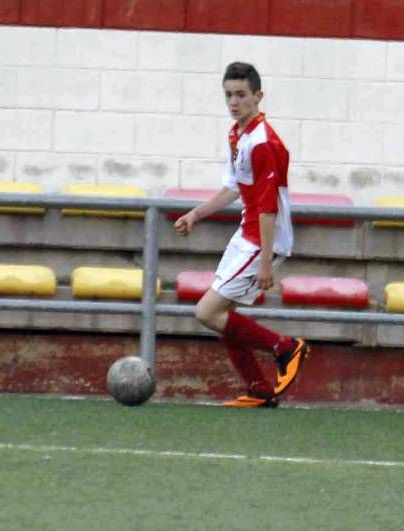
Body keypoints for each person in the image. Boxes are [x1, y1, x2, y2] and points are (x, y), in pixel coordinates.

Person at [174, 61, 309, 408]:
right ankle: (260, 389)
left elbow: (268, 209)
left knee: (206, 312)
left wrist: (266, 262)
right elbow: (232, 188)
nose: (234, 102)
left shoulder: (264, 143)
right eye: (228, 95)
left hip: (262, 239)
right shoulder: (238, 134)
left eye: (241, 95)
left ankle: (286, 348)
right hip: (246, 234)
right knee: (223, 316)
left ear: (258, 97)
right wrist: (196, 214)